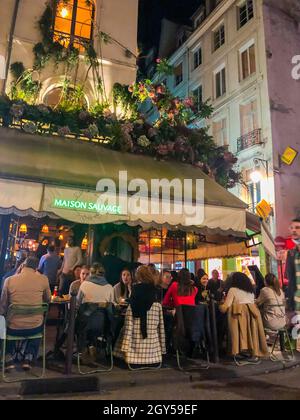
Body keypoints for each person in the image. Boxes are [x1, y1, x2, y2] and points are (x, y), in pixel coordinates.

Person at [0, 257, 51, 371]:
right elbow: (48, 299)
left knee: (3, 323)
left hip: (13, 327)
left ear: (22, 266)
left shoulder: (9, 280)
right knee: (38, 322)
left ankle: (8, 357)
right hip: (35, 328)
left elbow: (2, 306)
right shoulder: (43, 279)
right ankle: (28, 356)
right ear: (36, 267)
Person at [113, 265, 166, 366]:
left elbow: (132, 306)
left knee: (122, 327)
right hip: (152, 346)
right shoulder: (156, 291)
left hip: (135, 340)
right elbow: (161, 327)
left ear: (138, 276)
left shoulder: (136, 289)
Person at [219, 272, 268, 362]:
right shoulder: (250, 291)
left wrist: (220, 305)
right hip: (252, 317)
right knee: (250, 333)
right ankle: (251, 352)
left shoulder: (233, 290)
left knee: (221, 326)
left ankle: (232, 350)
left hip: (238, 317)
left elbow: (226, 307)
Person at [286, 218, 300, 312]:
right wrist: (291, 304)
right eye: (292, 228)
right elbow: (291, 281)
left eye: (297, 227)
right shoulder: (291, 254)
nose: (294, 230)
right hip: (297, 306)